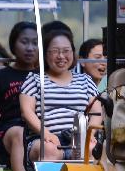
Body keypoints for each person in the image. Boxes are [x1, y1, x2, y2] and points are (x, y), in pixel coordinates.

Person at [20, 30, 101, 162]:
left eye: (66, 51)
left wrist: (89, 133)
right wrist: (46, 134)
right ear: (45, 54)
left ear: (73, 53)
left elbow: (97, 112)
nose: (61, 56)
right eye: (55, 51)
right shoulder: (34, 79)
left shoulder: (85, 80)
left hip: (78, 137)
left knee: (90, 148)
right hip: (44, 138)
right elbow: (27, 112)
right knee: (49, 150)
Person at [0, 22, 39, 171]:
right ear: (13, 44)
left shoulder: (44, 76)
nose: (30, 48)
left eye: (35, 43)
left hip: (39, 129)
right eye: (24, 42)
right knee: (19, 134)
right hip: (8, 131)